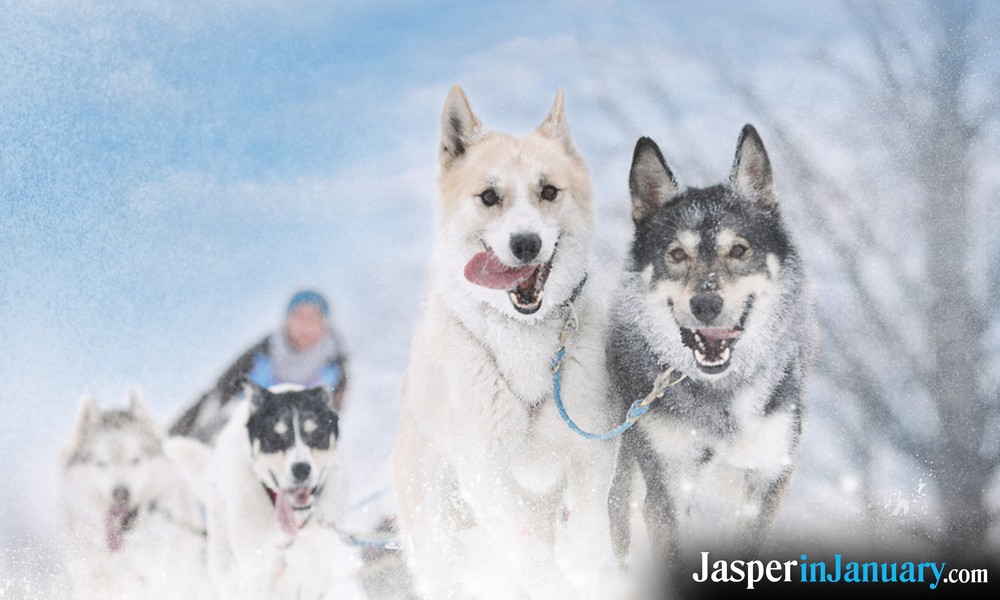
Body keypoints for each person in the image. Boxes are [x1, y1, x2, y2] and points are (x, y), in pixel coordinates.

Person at [170, 289, 349, 443]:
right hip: (241, 430)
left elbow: (335, 418)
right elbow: (218, 393)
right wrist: (175, 434)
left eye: (313, 318)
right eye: (299, 317)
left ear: (325, 324)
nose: (306, 326)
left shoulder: (336, 366)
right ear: (287, 321)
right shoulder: (262, 353)